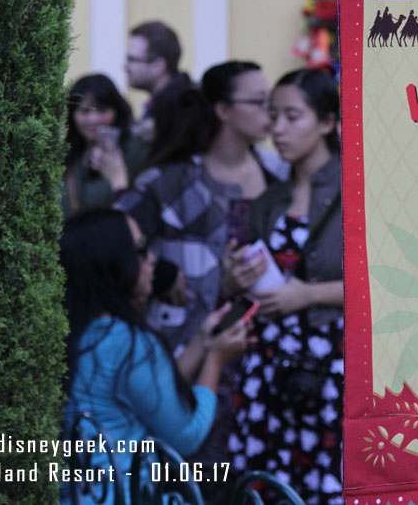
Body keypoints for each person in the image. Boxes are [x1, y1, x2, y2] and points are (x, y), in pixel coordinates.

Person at [60, 208, 248, 503]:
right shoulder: (128, 342)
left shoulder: (76, 332)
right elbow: (186, 435)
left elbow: (150, 396)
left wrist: (201, 342)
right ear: (112, 264)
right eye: (140, 249)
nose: (152, 260)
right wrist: (216, 361)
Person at [224, 68, 344, 505]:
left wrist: (308, 295)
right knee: (272, 483)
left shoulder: (355, 191)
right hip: (269, 363)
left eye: (292, 116)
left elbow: (383, 285)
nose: (276, 128)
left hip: (332, 364)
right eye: (272, 115)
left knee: (327, 482)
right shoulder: (268, 201)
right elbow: (240, 288)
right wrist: (235, 278)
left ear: (327, 122)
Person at [116, 60, 287, 349]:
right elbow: (111, 237)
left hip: (267, 346)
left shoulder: (280, 173)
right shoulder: (170, 183)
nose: (269, 113)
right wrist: (162, 275)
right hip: (184, 345)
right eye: (259, 102)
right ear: (223, 111)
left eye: (271, 102)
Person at [62, 74, 143, 218]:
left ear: (117, 112)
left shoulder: (134, 150)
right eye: (84, 111)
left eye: (102, 110)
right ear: (72, 114)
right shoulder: (65, 152)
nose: (93, 120)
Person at [124, 20, 193, 148]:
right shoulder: (172, 102)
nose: (125, 66)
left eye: (132, 59)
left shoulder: (181, 108)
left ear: (158, 66)